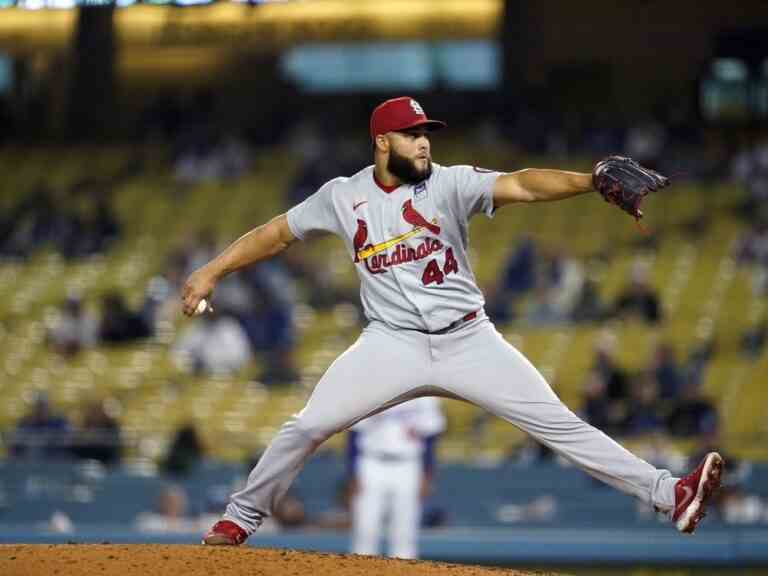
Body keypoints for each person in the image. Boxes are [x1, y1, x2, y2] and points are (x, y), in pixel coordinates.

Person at [181, 97, 723, 545]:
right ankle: (239, 519)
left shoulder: (448, 183)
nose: (423, 142)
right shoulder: (342, 198)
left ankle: (669, 494)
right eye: (411, 133)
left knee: (561, 426)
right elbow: (275, 234)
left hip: (469, 339)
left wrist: (588, 180)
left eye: (426, 133)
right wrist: (211, 270)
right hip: (389, 344)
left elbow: (523, 184)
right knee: (307, 425)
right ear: (381, 143)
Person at [347, 397, 444, 559]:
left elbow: (430, 436)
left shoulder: (424, 393)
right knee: (365, 528)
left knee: (405, 532)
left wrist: (427, 473)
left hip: (409, 463)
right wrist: (352, 472)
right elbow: (354, 434)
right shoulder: (368, 388)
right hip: (371, 462)